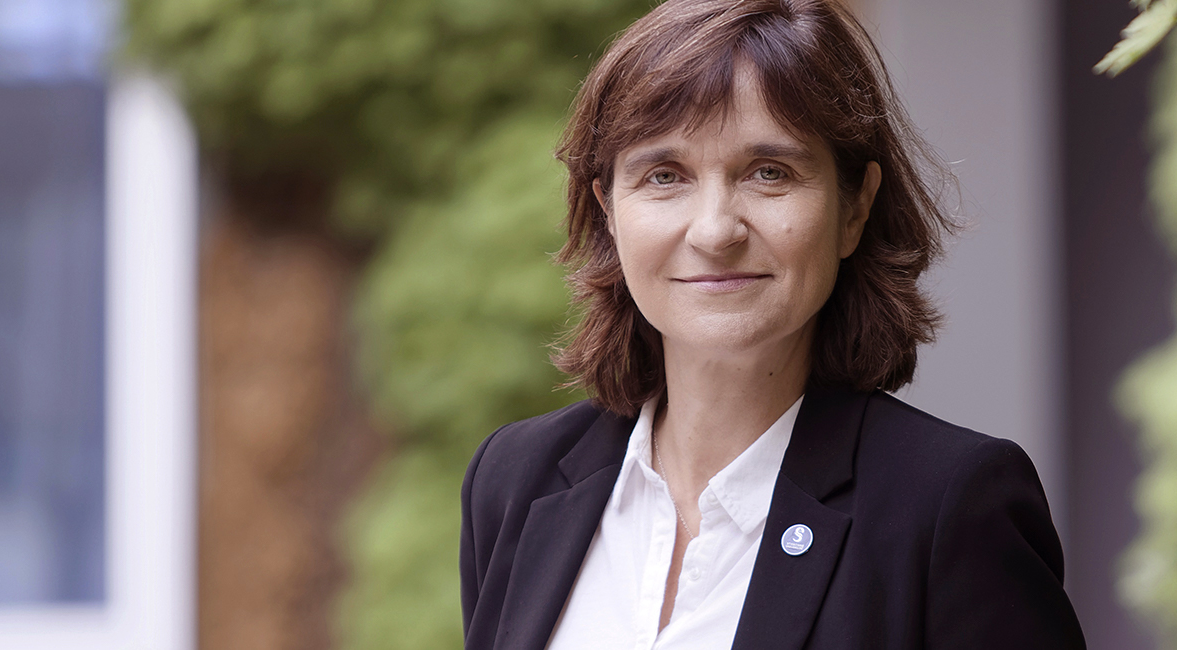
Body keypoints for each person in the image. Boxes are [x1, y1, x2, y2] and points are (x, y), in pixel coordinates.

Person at [459, 0, 1084, 648]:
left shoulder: (948, 506)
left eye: (768, 172)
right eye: (664, 175)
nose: (714, 231)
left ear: (853, 208)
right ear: (609, 210)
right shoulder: (516, 479)